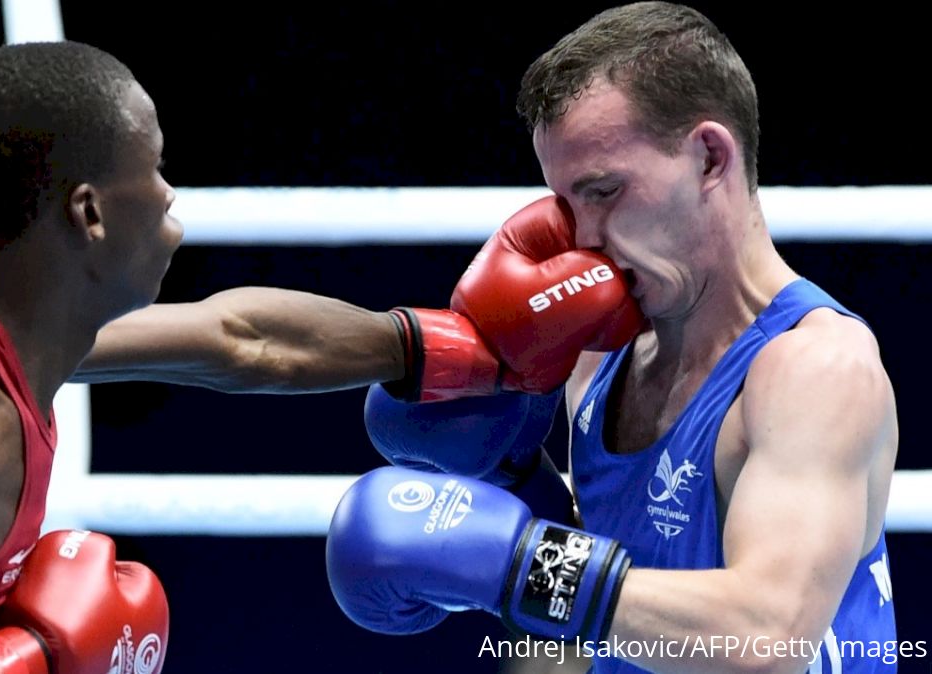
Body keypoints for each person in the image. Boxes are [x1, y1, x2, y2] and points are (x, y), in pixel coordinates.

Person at [0, 40, 640, 674]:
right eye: (155, 168)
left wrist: (450, 352)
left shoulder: (16, 345)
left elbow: (240, 340)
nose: (172, 198)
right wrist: (24, 664)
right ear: (88, 213)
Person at [325, 3, 899, 673]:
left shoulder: (815, 369)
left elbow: (765, 638)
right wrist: (520, 482)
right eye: (567, 204)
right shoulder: (597, 358)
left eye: (605, 191)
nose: (584, 238)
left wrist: (517, 563)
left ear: (710, 157)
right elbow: (633, 582)